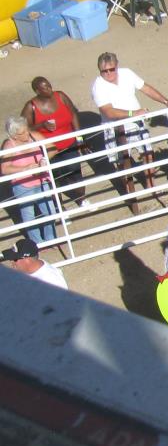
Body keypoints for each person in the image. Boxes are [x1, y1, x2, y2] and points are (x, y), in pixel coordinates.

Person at [90, 52, 168, 211]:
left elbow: (145, 88)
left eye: (111, 69)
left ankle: (152, 186)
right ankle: (130, 194)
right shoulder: (98, 86)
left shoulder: (127, 73)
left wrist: (165, 101)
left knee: (147, 153)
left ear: (117, 66)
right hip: (115, 127)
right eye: (104, 71)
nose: (109, 73)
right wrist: (132, 113)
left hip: (136, 123)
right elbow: (108, 111)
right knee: (122, 162)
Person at [22, 76, 84, 206]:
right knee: (53, 177)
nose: (49, 89)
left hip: (69, 143)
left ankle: (81, 199)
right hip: (48, 149)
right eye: (45, 88)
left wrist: (79, 137)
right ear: (37, 91)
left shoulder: (60, 96)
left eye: (49, 85)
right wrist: (41, 126)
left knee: (75, 170)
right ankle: (59, 207)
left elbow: (73, 113)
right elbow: (23, 128)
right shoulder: (30, 107)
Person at [3, 116, 56, 244]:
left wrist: (44, 160)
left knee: (51, 212)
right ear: (14, 135)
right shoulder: (9, 146)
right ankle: (37, 243)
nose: (27, 133)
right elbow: (4, 169)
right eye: (22, 133)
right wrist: (25, 169)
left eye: (26, 130)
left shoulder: (34, 136)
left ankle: (51, 239)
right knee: (29, 217)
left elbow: (53, 148)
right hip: (23, 185)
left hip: (42, 180)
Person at [1, 236, 67, 289]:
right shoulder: (34, 269)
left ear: (27, 260)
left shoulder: (52, 282)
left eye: (15, 259)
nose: (11, 262)